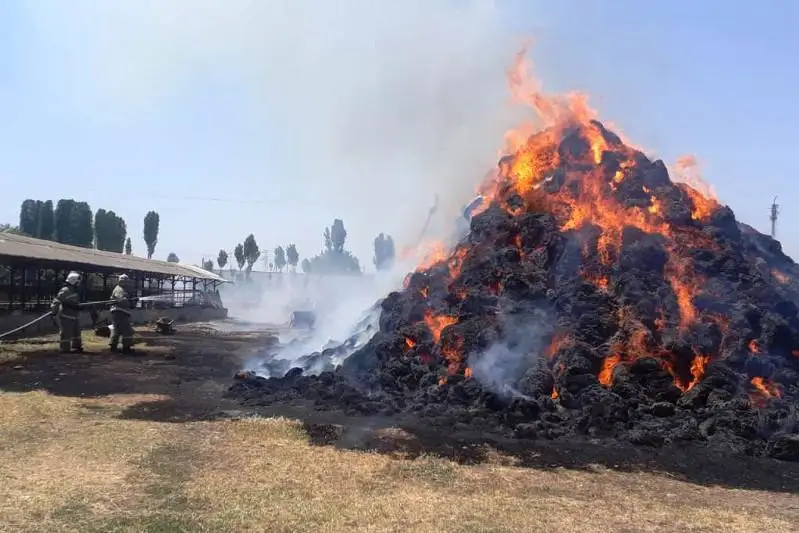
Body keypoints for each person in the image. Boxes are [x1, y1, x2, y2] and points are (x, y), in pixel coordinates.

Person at [51, 271, 83, 353]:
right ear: (73, 281)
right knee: (66, 333)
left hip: (75, 315)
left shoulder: (75, 291)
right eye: (77, 282)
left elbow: (76, 302)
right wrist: (54, 312)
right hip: (66, 316)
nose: (79, 284)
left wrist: (78, 306)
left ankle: (77, 347)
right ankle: (65, 349)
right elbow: (56, 301)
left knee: (77, 333)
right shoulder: (65, 290)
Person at [109, 274, 136, 353]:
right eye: (126, 281)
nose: (127, 283)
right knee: (127, 330)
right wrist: (130, 302)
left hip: (117, 312)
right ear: (121, 281)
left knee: (117, 330)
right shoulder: (120, 290)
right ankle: (126, 348)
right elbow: (121, 300)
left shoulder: (120, 289)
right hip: (120, 312)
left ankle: (113, 346)